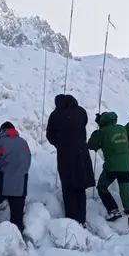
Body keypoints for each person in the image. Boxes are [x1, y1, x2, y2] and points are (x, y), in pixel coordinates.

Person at [46, 94, 95, 227]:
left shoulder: (56, 115)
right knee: (80, 187)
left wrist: (60, 143)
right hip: (81, 153)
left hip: (65, 154)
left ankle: (72, 221)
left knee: (68, 188)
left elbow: (49, 135)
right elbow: (84, 122)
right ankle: (82, 219)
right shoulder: (81, 111)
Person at [88, 111, 129, 234]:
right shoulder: (122, 129)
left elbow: (91, 145)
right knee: (127, 196)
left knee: (102, 187)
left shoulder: (102, 132)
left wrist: (98, 130)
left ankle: (113, 210)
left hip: (112, 167)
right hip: (127, 167)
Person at [0, 122, 32, 232]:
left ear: (2, 131)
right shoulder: (24, 143)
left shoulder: (1, 143)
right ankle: (18, 245)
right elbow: (27, 162)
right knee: (17, 222)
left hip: (3, 184)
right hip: (21, 186)